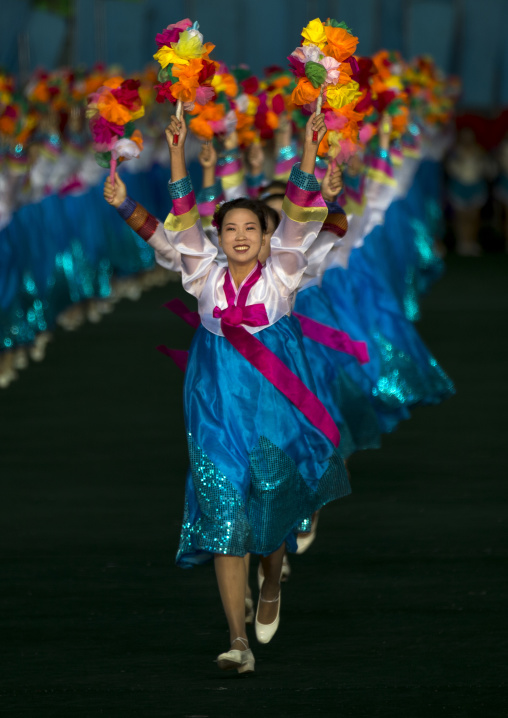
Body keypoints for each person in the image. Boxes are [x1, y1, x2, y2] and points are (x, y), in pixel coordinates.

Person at [159, 110, 351, 673]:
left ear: (267, 238)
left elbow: (299, 206)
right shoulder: (202, 273)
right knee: (224, 515)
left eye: (251, 229)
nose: (240, 237)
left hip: (274, 406)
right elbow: (181, 214)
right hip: (216, 406)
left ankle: (271, 582)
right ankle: (237, 641)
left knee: (270, 507)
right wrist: (177, 153)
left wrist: (310, 150)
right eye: (230, 230)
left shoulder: (283, 272)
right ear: (218, 239)